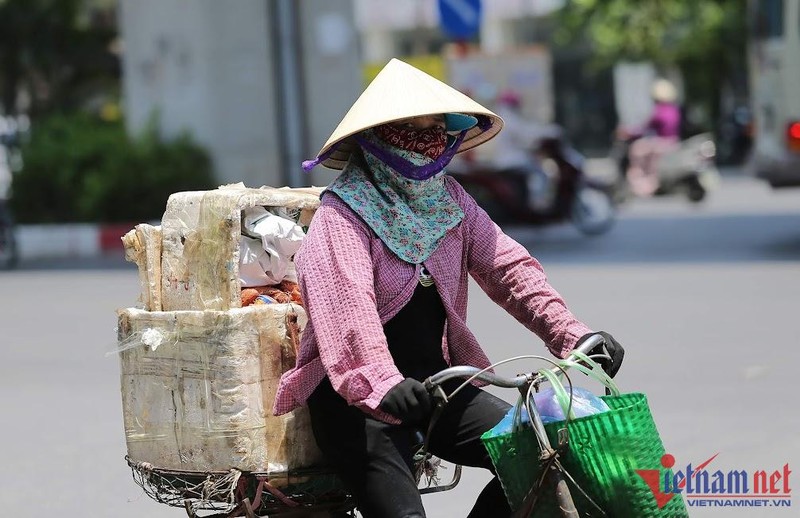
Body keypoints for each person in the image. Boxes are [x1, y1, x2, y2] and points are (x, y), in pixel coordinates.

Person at [272, 58, 624, 518]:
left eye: (435, 126)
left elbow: (508, 268)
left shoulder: (451, 201)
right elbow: (348, 314)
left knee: (548, 454)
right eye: (410, 127)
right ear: (376, 137)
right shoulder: (341, 218)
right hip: (358, 402)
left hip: (440, 388)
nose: (426, 137)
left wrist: (571, 334)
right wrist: (380, 382)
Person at [490, 89, 562, 211]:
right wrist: (551, 131)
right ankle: (537, 204)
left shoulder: (501, 118)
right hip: (513, 160)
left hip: (506, 159)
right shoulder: (509, 118)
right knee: (541, 174)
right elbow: (527, 135)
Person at [619, 78, 682, 196]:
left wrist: (629, 132)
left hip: (662, 143)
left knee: (636, 150)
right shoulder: (674, 109)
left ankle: (644, 180)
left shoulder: (660, 111)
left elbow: (645, 128)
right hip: (672, 142)